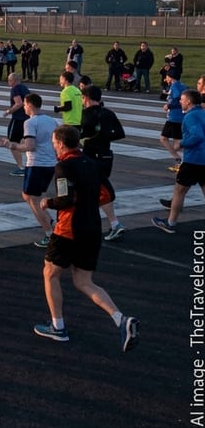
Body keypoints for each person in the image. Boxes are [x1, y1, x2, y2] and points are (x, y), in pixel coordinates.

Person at [34, 125, 139, 353]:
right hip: (92, 228)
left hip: (68, 230)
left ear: (61, 144)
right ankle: (120, 318)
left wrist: (47, 203)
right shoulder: (91, 163)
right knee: (83, 281)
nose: (53, 146)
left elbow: (65, 199)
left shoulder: (63, 166)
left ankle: (58, 326)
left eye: (54, 142)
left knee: (50, 273)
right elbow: (107, 194)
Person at [1, 93, 59, 247]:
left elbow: (30, 146)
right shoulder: (52, 121)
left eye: (25, 105)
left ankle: (49, 233)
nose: (24, 107)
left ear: (30, 105)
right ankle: (51, 222)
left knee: (31, 198)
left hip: (36, 164)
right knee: (31, 196)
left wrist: (11, 145)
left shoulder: (30, 123)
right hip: (50, 163)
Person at [79, 85, 126, 240]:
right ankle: (108, 224)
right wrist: (105, 137)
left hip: (91, 156)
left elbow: (84, 132)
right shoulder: (108, 113)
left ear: (86, 98)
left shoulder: (87, 113)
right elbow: (120, 133)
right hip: (106, 155)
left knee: (94, 191)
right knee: (95, 191)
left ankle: (114, 224)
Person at [155, 89, 205, 232]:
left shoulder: (190, 116)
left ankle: (170, 223)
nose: (180, 102)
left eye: (182, 100)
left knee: (179, 190)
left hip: (193, 160)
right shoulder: (203, 113)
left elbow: (197, 136)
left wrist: (180, 144)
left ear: (188, 102)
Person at [3, 73, 30, 176]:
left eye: (9, 81)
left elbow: (19, 103)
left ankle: (21, 167)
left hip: (18, 119)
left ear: (13, 81)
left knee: (12, 142)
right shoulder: (25, 88)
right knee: (26, 141)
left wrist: (8, 111)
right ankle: (29, 164)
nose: (8, 83)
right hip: (27, 118)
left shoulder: (15, 89)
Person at [162, 70, 186, 171]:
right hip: (177, 117)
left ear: (170, 77)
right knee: (164, 138)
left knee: (173, 143)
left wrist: (169, 105)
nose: (166, 78)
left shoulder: (175, 86)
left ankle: (182, 159)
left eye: (167, 76)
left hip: (174, 118)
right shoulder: (181, 85)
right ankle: (178, 159)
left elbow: (177, 99)